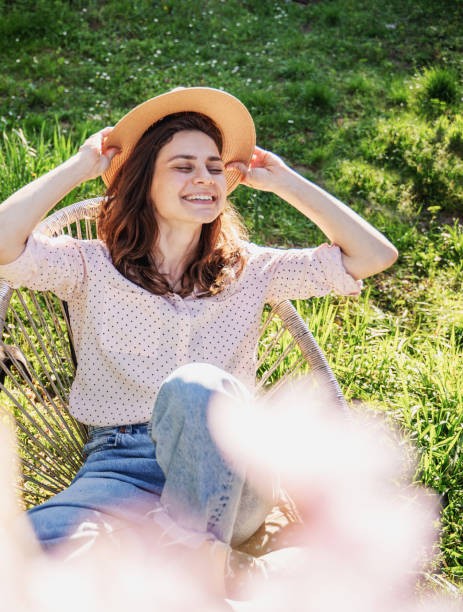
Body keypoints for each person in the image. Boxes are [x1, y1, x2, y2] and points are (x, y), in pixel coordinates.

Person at [0, 87, 398, 595]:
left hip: (231, 475)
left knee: (196, 387)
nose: (205, 178)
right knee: (25, 551)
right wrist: (81, 167)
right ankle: (217, 571)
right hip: (123, 468)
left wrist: (285, 182)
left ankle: (190, 565)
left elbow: (372, 255)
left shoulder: (251, 270)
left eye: (214, 167)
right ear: (144, 181)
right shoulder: (87, 266)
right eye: (183, 166)